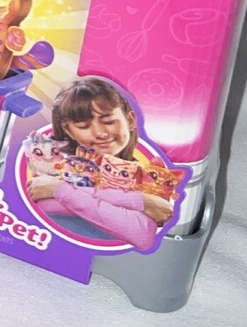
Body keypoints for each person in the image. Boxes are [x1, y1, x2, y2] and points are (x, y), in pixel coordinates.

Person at [22, 76, 177, 251]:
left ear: (130, 120)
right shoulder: (57, 164)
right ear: (68, 130)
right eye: (83, 126)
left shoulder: (147, 174)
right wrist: (140, 201)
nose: (100, 133)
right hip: (47, 249)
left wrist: (60, 190)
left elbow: (142, 234)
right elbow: (45, 203)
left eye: (108, 121)